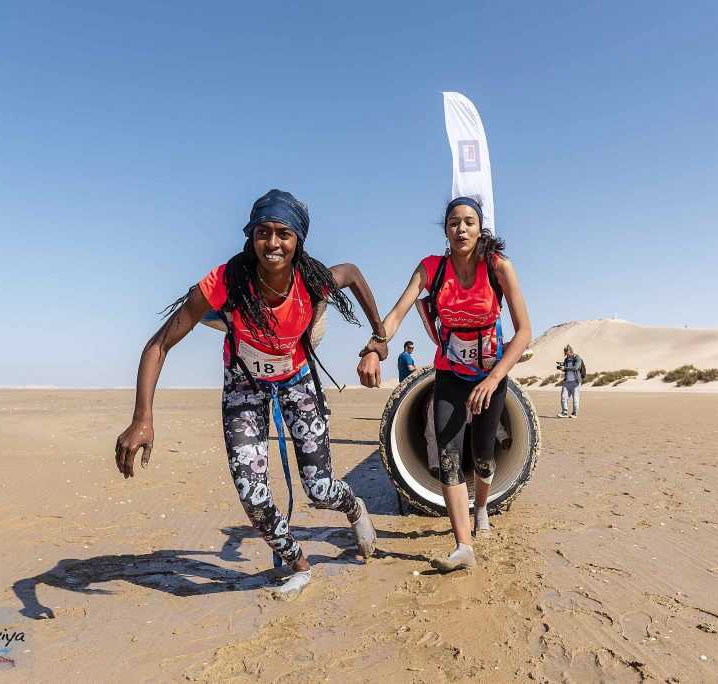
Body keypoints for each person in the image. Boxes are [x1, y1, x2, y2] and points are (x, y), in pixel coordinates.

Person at [115, 189, 387, 601]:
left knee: (320, 489)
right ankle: (299, 565)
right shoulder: (226, 282)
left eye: (283, 234)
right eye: (263, 232)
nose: (272, 243)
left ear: (298, 240)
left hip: (298, 381)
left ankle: (355, 509)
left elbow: (351, 273)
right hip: (244, 387)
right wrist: (142, 418)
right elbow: (159, 345)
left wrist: (379, 336)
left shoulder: (312, 280)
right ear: (251, 235)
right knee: (253, 497)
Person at [359, 196, 532, 573]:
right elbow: (397, 314)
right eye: (454, 222)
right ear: (446, 230)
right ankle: (463, 546)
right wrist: (374, 346)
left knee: (483, 457)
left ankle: (481, 506)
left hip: (489, 376)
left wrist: (493, 379)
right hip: (450, 374)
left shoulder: (498, 267)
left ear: (480, 228)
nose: (461, 229)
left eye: (469, 222)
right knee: (449, 455)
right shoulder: (431, 269)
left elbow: (524, 333)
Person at [557, 345, 585, 418]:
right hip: (567, 381)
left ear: (571, 351)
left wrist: (565, 368)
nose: (567, 355)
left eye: (568, 353)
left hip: (575, 382)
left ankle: (574, 413)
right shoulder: (566, 359)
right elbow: (566, 369)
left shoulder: (577, 358)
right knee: (563, 397)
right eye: (566, 353)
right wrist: (562, 368)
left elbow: (575, 368)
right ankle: (564, 412)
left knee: (575, 399)